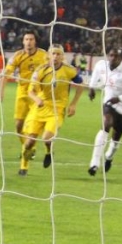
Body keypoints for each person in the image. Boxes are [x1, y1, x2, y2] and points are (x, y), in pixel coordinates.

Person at [19, 46, 84, 174]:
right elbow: (30, 91)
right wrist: (37, 99)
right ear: (49, 55)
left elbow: (81, 85)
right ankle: (23, 166)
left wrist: (73, 104)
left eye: (58, 54)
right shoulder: (41, 70)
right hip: (40, 108)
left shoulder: (69, 70)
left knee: (47, 138)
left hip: (57, 109)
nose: (55, 56)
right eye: (53, 54)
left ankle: (49, 152)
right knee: (29, 142)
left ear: (62, 56)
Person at [86, 48, 122, 176]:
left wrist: (119, 98)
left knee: (116, 138)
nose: (113, 58)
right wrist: (92, 87)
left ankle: (109, 157)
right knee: (106, 124)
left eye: (116, 56)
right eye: (111, 55)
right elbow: (96, 72)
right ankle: (94, 163)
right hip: (109, 103)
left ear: (121, 58)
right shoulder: (102, 65)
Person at [0, 29, 47, 152]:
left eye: (31, 39)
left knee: (33, 126)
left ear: (35, 42)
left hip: (37, 94)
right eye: (26, 39)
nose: (29, 42)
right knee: (18, 126)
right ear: (23, 42)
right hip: (22, 93)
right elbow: (6, 74)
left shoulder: (44, 55)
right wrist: (1, 92)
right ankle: (27, 147)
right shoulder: (17, 56)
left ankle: (28, 149)